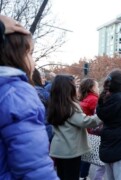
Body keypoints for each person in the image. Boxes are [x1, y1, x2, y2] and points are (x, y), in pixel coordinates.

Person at [0, 17, 58, 179]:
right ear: (16, 55)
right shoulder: (17, 94)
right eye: (30, 53)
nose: (32, 61)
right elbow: (34, 169)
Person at [48, 75, 103, 180]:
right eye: (75, 86)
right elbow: (86, 121)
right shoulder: (70, 106)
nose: (77, 88)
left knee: (62, 176)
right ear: (68, 88)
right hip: (71, 150)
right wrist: (102, 115)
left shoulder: (55, 104)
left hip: (58, 149)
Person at [78, 78, 106, 180]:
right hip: (93, 132)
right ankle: (86, 176)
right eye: (97, 86)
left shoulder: (84, 98)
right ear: (92, 88)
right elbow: (99, 115)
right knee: (93, 157)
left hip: (85, 132)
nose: (99, 88)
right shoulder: (94, 99)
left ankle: (83, 175)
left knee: (86, 155)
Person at [32, 69, 54, 141]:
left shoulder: (29, 90)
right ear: (37, 78)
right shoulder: (42, 92)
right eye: (42, 77)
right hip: (46, 127)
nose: (44, 79)